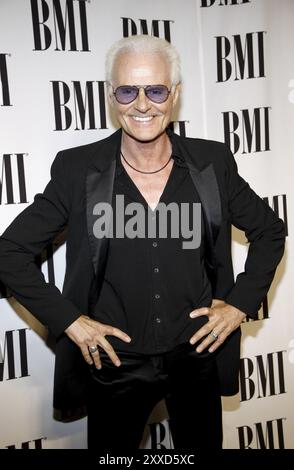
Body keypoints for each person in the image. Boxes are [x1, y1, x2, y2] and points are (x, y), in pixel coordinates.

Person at [0, 35, 285, 450]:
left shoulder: (212, 163)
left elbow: (270, 231)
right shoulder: (78, 169)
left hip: (197, 355)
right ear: (110, 95)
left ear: (175, 94)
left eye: (155, 89)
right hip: (114, 364)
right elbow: (9, 253)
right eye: (127, 90)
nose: (142, 104)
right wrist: (71, 322)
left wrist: (240, 304)